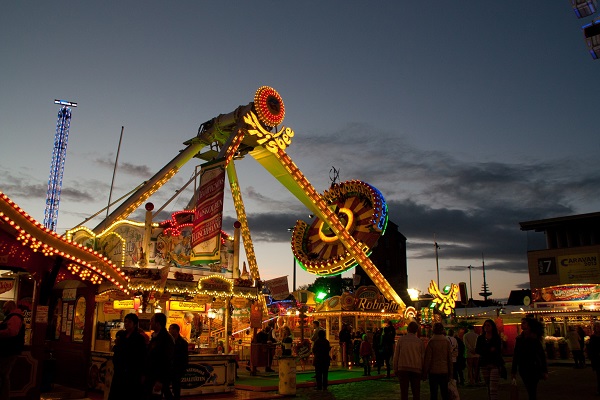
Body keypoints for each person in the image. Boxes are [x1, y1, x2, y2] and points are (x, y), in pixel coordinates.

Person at [108, 313, 147, 400]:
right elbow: (117, 351)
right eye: (125, 321)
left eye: (129, 322)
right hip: (119, 371)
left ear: (135, 324)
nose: (126, 324)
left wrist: (142, 373)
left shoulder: (139, 338)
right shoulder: (122, 336)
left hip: (132, 373)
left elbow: (142, 357)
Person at [511, 317, 547, 400]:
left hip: (534, 367)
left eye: (524, 323)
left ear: (529, 325)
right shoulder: (519, 339)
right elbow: (516, 355)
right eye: (521, 323)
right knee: (529, 387)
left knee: (532, 388)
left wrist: (544, 370)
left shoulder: (534, 339)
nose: (522, 324)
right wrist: (513, 370)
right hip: (523, 367)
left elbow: (541, 355)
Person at [143, 312, 175, 399]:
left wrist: (161, 380)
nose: (150, 323)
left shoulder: (165, 339)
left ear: (157, 324)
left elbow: (167, 361)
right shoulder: (155, 337)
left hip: (157, 377)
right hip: (152, 376)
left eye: (152, 321)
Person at [393, 321, 425, 400]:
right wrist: (424, 371)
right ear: (416, 330)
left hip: (403, 368)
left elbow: (396, 355)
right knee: (416, 393)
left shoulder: (401, 340)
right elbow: (422, 357)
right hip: (416, 369)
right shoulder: (419, 342)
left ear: (408, 329)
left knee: (404, 393)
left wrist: (395, 368)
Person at [0, 301, 25, 400]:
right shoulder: (14, 316)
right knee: (3, 374)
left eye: (4, 308)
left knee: (3, 374)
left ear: (10, 307)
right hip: (9, 350)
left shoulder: (14, 317)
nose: (3, 310)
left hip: (9, 350)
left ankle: (4, 396)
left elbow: (12, 332)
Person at [476, 319, 504, 400]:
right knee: (488, 386)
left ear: (492, 327)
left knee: (493, 388)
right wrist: (489, 349)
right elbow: (478, 350)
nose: (486, 327)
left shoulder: (496, 338)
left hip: (494, 364)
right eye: (485, 325)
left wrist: (486, 350)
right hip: (484, 364)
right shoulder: (480, 338)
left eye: (488, 325)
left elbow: (497, 350)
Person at [423, 322, 452, 400]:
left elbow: (428, 359)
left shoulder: (431, 342)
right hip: (444, 370)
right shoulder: (446, 342)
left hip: (433, 371)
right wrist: (451, 372)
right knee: (445, 393)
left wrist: (425, 372)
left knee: (433, 394)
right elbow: (449, 358)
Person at [167, 323, 189, 400]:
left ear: (176, 330)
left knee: (176, 387)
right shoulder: (168, 341)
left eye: (170, 329)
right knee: (166, 387)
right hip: (170, 368)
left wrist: (182, 369)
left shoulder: (183, 343)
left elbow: (184, 357)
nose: (169, 331)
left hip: (177, 368)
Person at [588, 321, 600, 396]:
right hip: (597, 359)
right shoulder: (593, 337)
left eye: (598, 327)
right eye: (596, 327)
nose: (597, 328)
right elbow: (591, 349)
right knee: (599, 375)